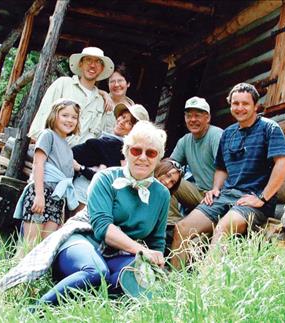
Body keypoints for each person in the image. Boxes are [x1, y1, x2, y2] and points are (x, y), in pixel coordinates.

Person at [38, 120, 170, 305]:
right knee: (96, 273)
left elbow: (157, 240)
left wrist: (155, 266)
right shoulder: (106, 178)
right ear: (126, 151)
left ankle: (88, 302)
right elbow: (102, 228)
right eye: (136, 150)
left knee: (135, 281)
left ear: (158, 158)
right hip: (85, 240)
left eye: (151, 153)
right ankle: (35, 310)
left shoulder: (162, 194)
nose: (143, 157)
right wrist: (141, 250)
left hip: (121, 253)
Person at [170, 83, 285, 269]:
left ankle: (205, 288)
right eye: (235, 103)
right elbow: (221, 168)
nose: (240, 108)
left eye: (245, 104)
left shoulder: (270, 128)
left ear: (255, 106)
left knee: (223, 228)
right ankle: (173, 283)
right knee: (183, 228)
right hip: (226, 195)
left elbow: (283, 165)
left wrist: (262, 198)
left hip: (253, 201)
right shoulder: (228, 133)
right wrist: (216, 188)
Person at [13, 98, 81, 247]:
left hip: (57, 198)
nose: (70, 120)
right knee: (29, 245)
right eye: (65, 115)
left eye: (74, 117)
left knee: (44, 248)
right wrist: (39, 195)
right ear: (54, 116)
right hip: (42, 191)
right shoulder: (48, 135)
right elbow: (38, 164)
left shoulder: (69, 148)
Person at [28, 47, 114, 146]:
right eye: (88, 60)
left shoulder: (102, 101)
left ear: (102, 68)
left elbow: (102, 136)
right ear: (80, 64)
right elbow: (43, 113)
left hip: (79, 158)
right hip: (52, 149)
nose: (92, 65)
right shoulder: (63, 84)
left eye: (98, 62)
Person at [71, 103, 150, 211]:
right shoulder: (109, 140)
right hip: (79, 191)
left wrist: (80, 167)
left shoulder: (118, 147)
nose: (122, 122)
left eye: (129, 123)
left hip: (85, 193)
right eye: (123, 117)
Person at [169, 96, 223, 224]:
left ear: (207, 118)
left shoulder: (216, 135)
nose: (192, 120)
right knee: (166, 180)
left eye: (197, 115)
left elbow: (224, 167)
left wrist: (216, 189)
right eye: (189, 116)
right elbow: (170, 165)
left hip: (219, 195)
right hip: (200, 194)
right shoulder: (185, 141)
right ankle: (173, 225)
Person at [100, 63, 136, 134]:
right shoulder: (100, 100)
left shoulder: (133, 109)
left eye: (120, 81)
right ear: (108, 84)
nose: (116, 84)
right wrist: (103, 93)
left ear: (128, 83)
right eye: (112, 81)